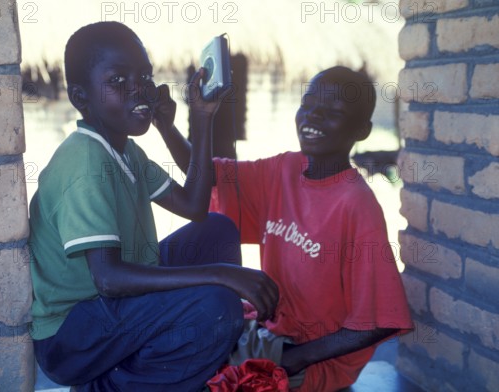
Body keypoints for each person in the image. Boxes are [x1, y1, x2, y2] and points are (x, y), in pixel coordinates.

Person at [27, 21, 279, 392]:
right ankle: (113, 385)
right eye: (118, 80)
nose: (138, 89)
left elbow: (195, 204)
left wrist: (197, 118)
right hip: (72, 335)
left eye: (144, 77)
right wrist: (221, 274)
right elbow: (109, 280)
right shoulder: (84, 161)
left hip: (110, 308)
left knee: (217, 229)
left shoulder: (126, 150)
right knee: (217, 307)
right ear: (81, 97)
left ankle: (154, 364)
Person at [162, 66, 414, 391]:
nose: (313, 116)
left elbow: (379, 321)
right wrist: (177, 123)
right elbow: (206, 177)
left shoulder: (355, 204)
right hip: (269, 331)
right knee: (169, 338)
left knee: (187, 373)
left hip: (312, 359)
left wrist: (293, 358)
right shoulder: (285, 169)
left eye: (333, 112)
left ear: (362, 130)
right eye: (308, 104)